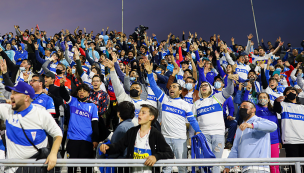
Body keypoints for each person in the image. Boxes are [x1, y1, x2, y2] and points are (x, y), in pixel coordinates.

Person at [144, 59, 201, 173]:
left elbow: (192, 120)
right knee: (166, 166)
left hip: (180, 139)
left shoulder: (184, 104)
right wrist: (150, 73)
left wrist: (198, 131)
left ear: (180, 91)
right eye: (171, 87)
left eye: (175, 87)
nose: (171, 88)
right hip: (165, 138)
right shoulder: (164, 99)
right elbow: (154, 87)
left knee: (182, 167)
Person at [0, 81, 62, 173]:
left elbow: (57, 134)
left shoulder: (41, 114)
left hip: (34, 169)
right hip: (11, 170)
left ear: (26, 97)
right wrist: (4, 101)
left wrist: (53, 154)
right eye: (12, 93)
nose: (11, 96)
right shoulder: (7, 110)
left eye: (16, 93)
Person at [100, 104, 174, 173]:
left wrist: (156, 157)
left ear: (151, 117)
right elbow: (119, 146)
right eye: (139, 112)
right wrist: (108, 147)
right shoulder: (132, 132)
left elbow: (169, 153)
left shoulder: (156, 134)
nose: (139, 114)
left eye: (143, 113)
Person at [224, 101, 277, 173]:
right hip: (244, 169)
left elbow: (273, 126)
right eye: (241, 107)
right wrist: (227, 166)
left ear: (253, 109)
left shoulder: (259, 121)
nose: (242, 108)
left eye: (245, 107)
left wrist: (252, 125)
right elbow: (235, 149)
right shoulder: (240, 128)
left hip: (259, 168)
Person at [60, 79, 99, 173]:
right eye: (80, 91)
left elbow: (95, 124)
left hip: (87, 141)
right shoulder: (73, 101)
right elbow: (64, 94)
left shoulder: (93, 106)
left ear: (88, 94)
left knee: (87, 169)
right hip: (73, 140)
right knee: (71, 169)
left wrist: (95, 139)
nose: (81, 93)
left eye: (84, 91)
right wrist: (62, 86)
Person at [273, 87, 304, 172]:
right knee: (293, 166)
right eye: (288, 92)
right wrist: (276, 101)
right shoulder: (283, 105)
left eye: (293, 91)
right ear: (285, 95)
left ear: (296, 94)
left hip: (303, 139)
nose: (291, 92)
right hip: (290, 139)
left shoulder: (302, 107)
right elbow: (276, 109)